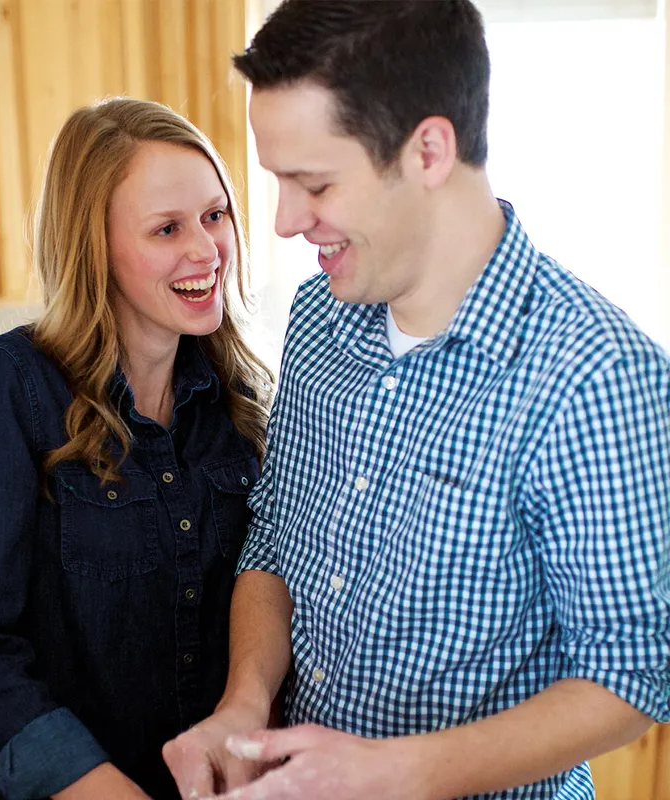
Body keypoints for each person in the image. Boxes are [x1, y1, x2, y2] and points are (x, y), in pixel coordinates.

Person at [162, 2, 670, 799]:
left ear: (429, 150)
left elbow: (631, 676)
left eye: (315, 183)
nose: (288, 222)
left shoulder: (595, 374)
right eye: (277, 183)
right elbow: (276, 539)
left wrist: (390, 774)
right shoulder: (321, 316)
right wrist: (243, 707)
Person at [0, 97, 273, 800]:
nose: (207, 250)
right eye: (167, 228)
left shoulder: (238, 400)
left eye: (215, 215)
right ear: (96, 245)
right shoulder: (13, 387)